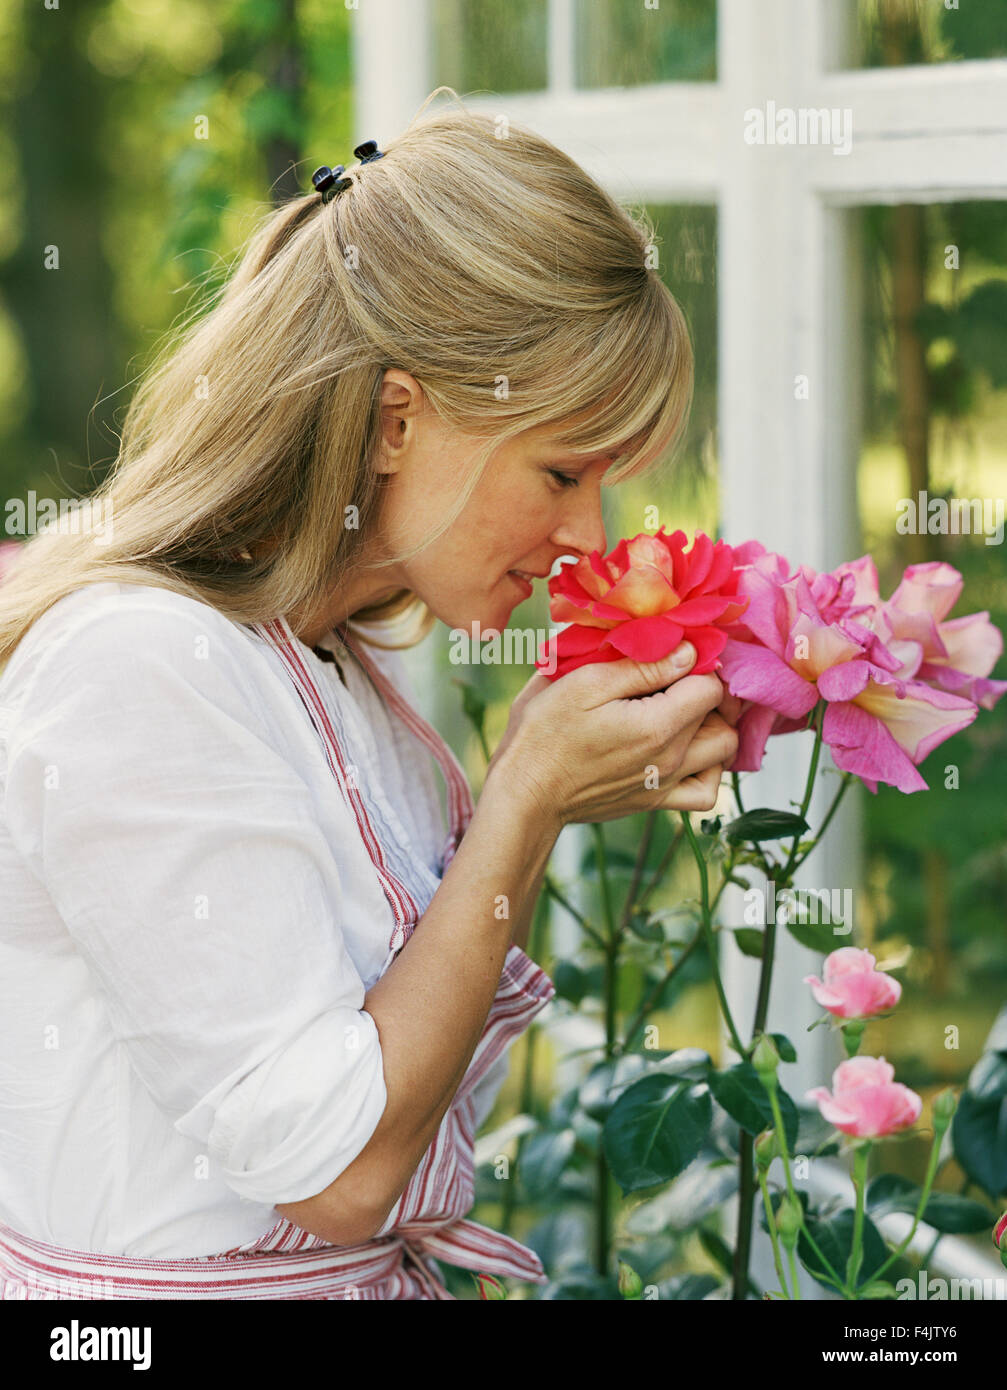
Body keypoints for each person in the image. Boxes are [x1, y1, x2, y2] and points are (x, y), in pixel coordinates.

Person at [0, 93, 738, 1300]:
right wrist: (524, 803)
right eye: (563, 469)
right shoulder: (137, 667)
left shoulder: (340, 666)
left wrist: (541, 800)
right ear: (397, 419)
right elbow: (340, 1169)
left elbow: (409, 1089)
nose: (584, 535)